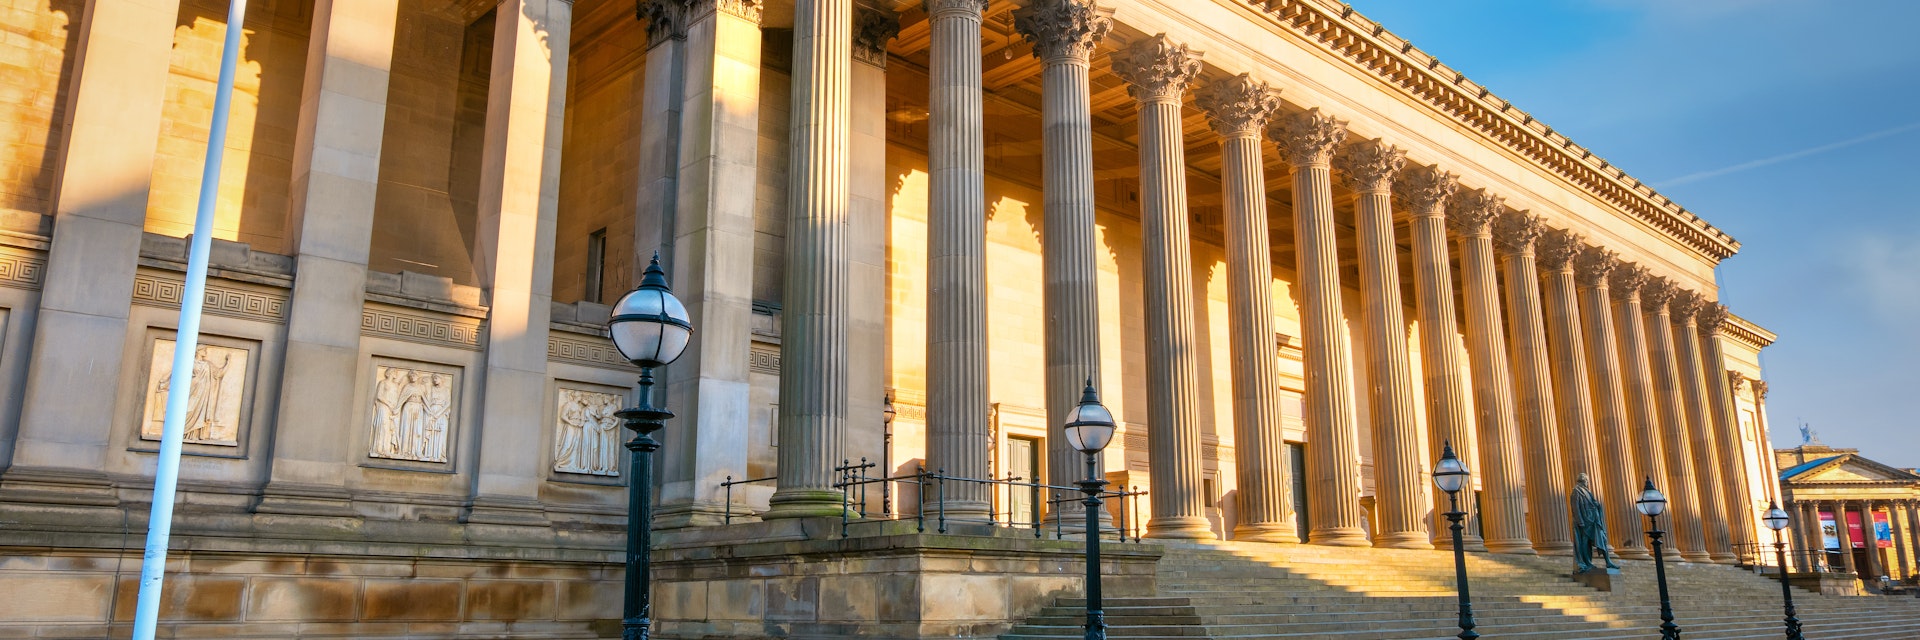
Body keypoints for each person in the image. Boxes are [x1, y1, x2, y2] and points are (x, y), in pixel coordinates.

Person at [1572, 472, 1620, 573]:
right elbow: (1575, 508)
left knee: (1602, 539)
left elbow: (1592, 503)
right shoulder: (1576, 491)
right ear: (1584, 480)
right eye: (1587, 481)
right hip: (1585, 521)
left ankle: (1608, 561)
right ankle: (1587, 562)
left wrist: (1597, 505)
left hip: (1594, 521)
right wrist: (1580, 521)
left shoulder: (1587, 491)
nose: (1588, 483)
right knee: (1585, 542)